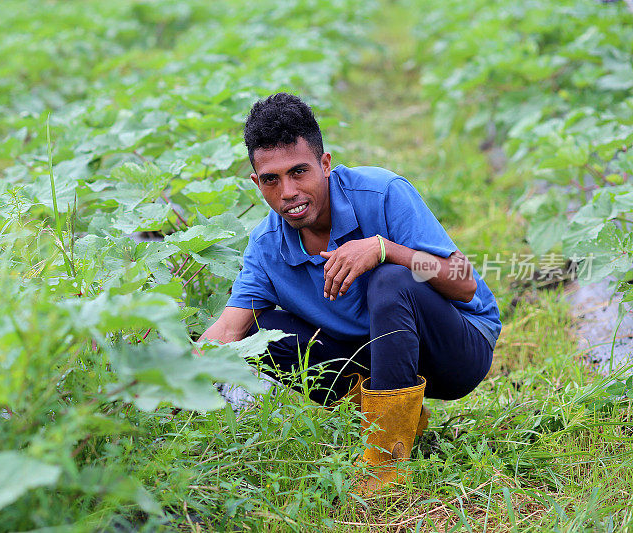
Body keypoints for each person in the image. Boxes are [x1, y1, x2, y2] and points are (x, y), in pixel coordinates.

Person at [199, 92, 501, 490]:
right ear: (257, 182)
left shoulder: (382, 193)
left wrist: (385, 249)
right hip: (372, 356)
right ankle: (398, 415)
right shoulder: (267, 246)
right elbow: (227, 330)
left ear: (325, 164)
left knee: (391, 280)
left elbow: (463, 283)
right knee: (260, 333)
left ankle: (384, 461)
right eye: (271, 179)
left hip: (455, 350)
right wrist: (163, 383)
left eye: (299, 172)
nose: (287, 191)